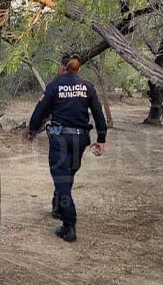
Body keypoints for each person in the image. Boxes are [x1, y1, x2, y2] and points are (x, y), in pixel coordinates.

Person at [25, 54, 107, 242]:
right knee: (67, 176)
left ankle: (69, 225)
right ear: (78, 69)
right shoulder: (87, 87)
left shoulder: (54, 86)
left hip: (60, 139)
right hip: (81, 140)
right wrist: (101, 138)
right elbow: (98, 114)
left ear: (63, 68)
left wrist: (32, 131)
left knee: (62, 181)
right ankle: (57, 207)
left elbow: (40, 110)